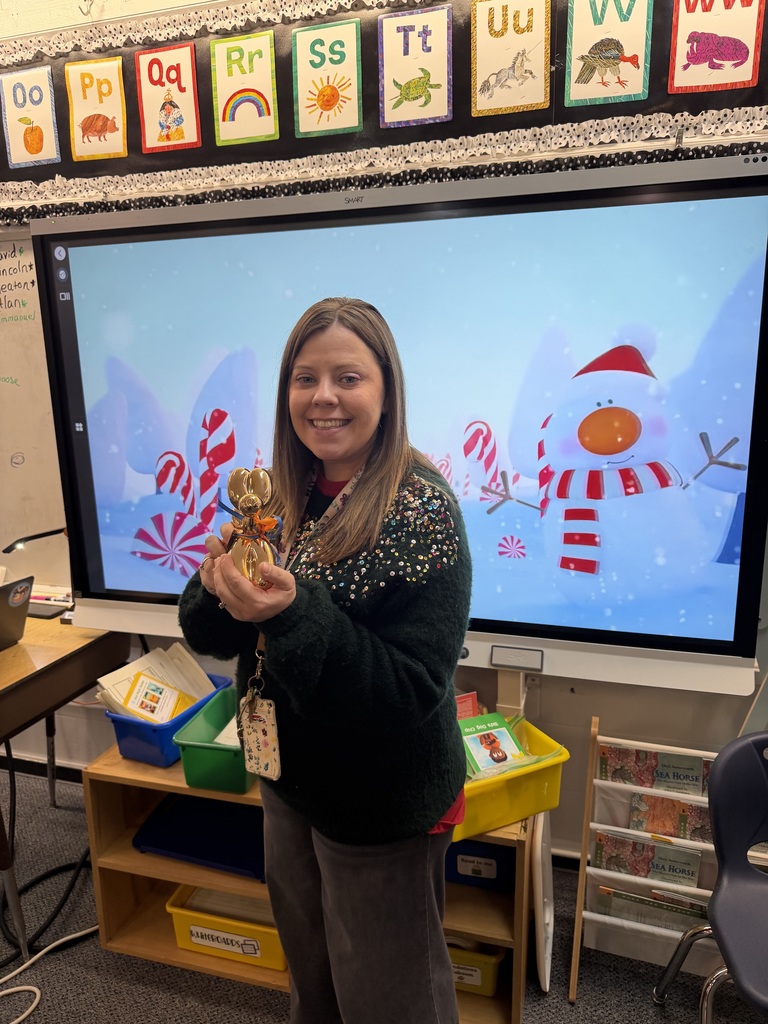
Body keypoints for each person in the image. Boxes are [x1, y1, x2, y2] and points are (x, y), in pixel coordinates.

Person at [178, 297, 472, 1024]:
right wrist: (218, 592)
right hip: (289, 777)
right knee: (312, 975)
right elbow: (209, 635)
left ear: (386, 389)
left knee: (389, 996)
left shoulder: (421, 509)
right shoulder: (281, 489)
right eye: (305, 378)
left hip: (379, 800)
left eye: (348, 377)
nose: (324, 397)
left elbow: (407, 690)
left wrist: (290, 612)